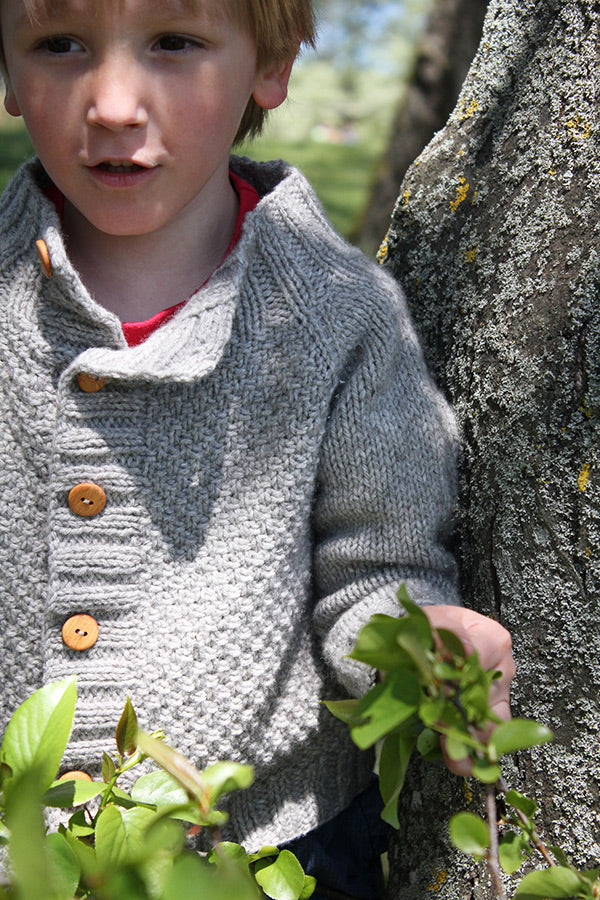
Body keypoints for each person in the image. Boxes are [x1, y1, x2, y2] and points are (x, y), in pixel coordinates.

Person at [0, 1, 514, 897]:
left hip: (272, 855)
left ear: (268, 68)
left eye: (174, 42)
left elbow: (372, 572)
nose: (113, 102)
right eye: (59, 44)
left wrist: (417, 644)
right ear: (7, 70)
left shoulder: (340, 317)